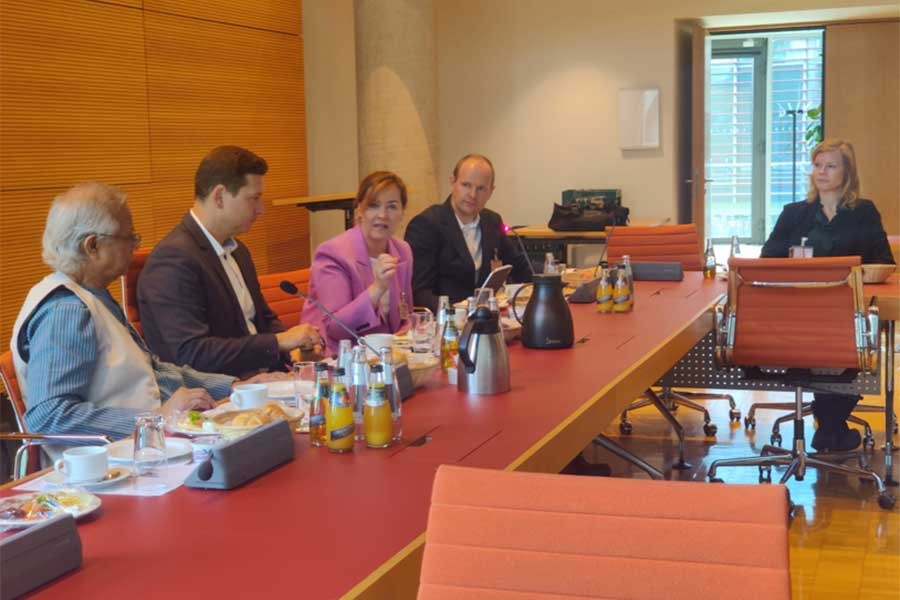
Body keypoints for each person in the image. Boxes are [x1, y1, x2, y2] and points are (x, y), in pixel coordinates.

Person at [10, 183, 272, 444]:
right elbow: (49, 416)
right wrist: (154, 417)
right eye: (129, 237)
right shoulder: (66, 311)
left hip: (144, 448)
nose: (135, 246)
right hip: (110, 466)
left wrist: (234, 387)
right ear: (92, 246)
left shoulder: (93, 297)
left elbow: (155, 371)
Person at [137, 146, 319, 378]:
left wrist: (293, 350)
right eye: (254, 198)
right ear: (220, 196)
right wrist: (278, 342)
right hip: (218, 394)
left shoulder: (238, 250)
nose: (261, 209)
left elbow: (263, 319)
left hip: (264, 380)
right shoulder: (173, 261)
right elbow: (191, 354)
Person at [761, 138, 895, 452]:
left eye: (830, 165)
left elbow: (884, 261)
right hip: (799, 314)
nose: (821, 172)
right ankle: (832, 429)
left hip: (848, 313)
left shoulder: (863, 212)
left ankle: (828, 427)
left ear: (847, 172)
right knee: (827, 351)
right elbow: (768, 259)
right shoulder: (795, 213)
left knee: (842, 349)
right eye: (817, 165)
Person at [301, 171, 414, 356]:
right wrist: (377, 288)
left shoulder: (403, 251)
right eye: (373, 206)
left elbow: (404, 315)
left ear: (403, 213)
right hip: (339, 358)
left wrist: (407, 334)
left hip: (385, 356)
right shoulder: (333, 253)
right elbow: (335, 329)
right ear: (360, 210)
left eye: (392, 207)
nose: (383, 215)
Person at [404, 154, 532, 313]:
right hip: (446, 323)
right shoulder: (427, 224)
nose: (472, 195)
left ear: (491, 191)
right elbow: (419, 292)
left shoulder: (492, 221)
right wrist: (457, 312)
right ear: (452, 182)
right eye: (466, 185)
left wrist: (556, 276)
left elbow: (520, 267)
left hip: (486, 318)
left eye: (481, 188)